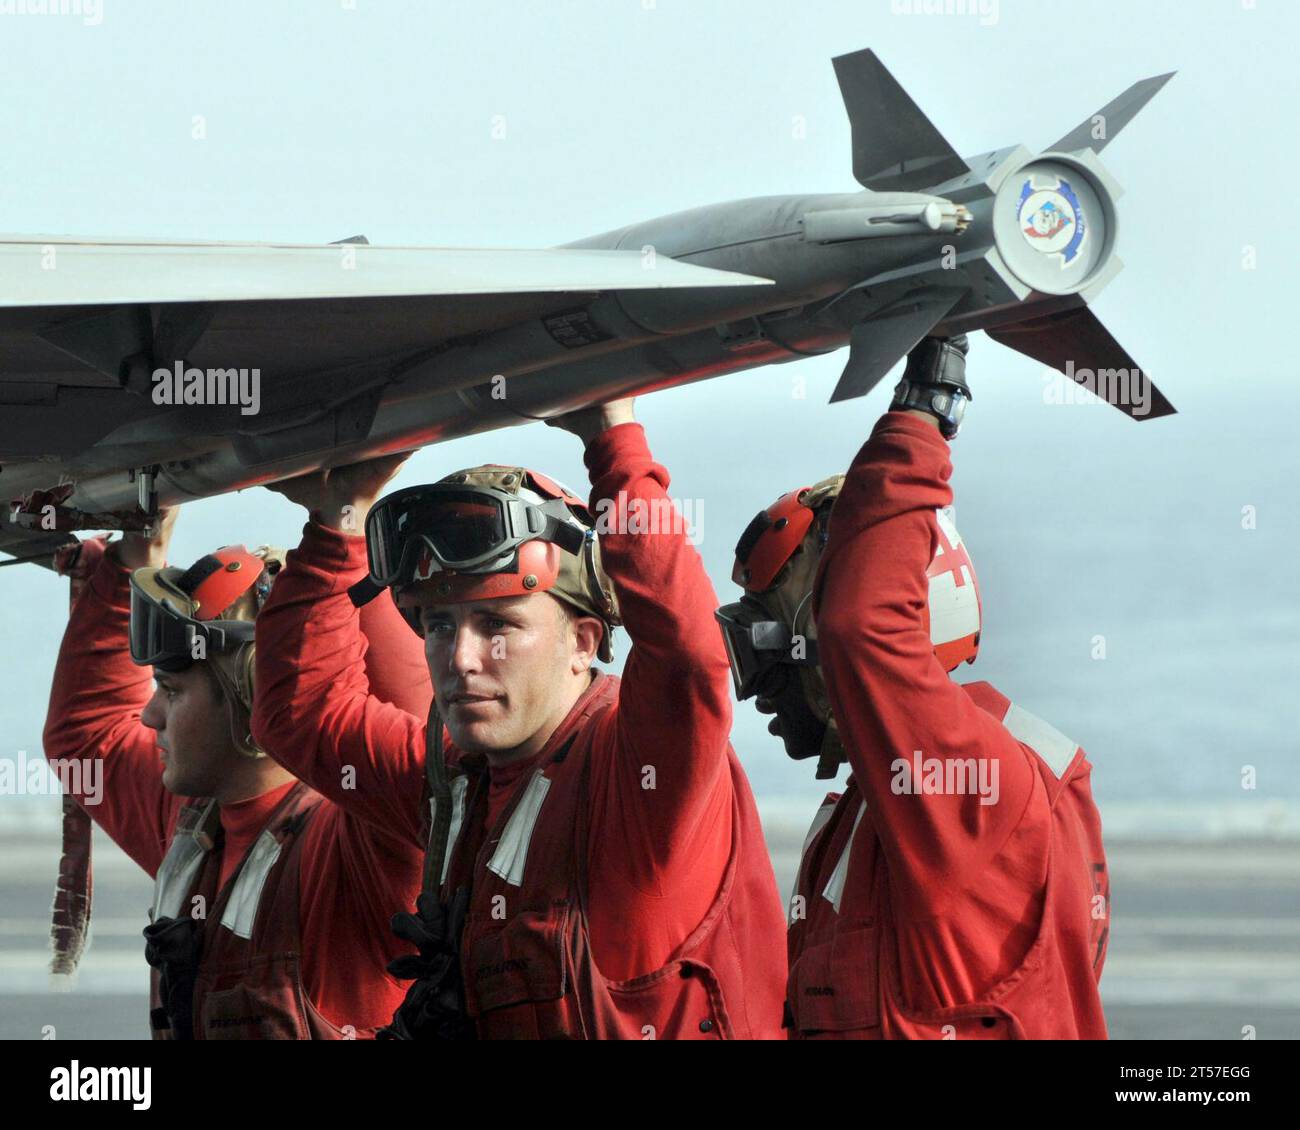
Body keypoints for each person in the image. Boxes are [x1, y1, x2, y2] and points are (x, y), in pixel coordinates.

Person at [251, 400, 788, 1039]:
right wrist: (335, 529)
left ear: (583, 643)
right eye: (439, 624)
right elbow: (299, 710)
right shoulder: (454, 784)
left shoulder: (642, 778)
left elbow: (687, 657)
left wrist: (613, 441)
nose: (461, 659)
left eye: (498, 624)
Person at [716, 336, 1110, 1039]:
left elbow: (867, 629)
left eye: (773, 645)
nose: (757, 690)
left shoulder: (973, 790)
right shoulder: (860, 821)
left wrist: (926, 407)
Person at [42, 507, 431, 1039]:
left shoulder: (366, 844)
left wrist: (344, 531)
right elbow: (85, 738)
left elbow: (418, 742)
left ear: (252, 698)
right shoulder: (194, 821)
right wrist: (133, 559)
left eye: (173, 691)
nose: (149, 715)